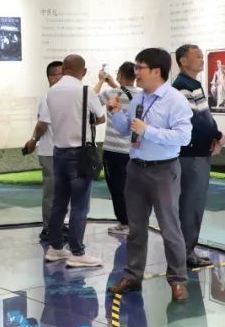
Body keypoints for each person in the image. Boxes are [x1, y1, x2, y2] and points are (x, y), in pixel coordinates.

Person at [107, 47, 193, 302]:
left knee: (170, 228)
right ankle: (133, 276)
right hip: (136, 169)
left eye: (140, 67)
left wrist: (149, 131)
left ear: (156, 71)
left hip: (164, 170)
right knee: (135, 228)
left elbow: (183, 137)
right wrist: (117, 113)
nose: (136, 72)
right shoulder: (139, 98)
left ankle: (178, 281)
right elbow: (127, 130)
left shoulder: (175, 100)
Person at [42, 55, 106, 268]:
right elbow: (101, 117)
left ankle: (55, 248)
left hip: (58, 152)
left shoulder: (52, 91)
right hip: (80, 154)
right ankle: (77, 252)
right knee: (79, 206)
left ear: (63, 69)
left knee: (59, 203)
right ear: (84, 71)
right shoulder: (85, 91)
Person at [172, 44, 225, 269]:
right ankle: (185, 252)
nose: (202, 60)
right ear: (183, 61)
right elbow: (192, 120)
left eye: (202, 56)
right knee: (191, 203)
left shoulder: (192, 84)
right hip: (191, 154)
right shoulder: (182, 86)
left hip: (198, 152)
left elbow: (204, 116)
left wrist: (214, 135)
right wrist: (217, 135)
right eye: (197, 56)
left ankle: (186, 249)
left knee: (192, 203)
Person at [96, 62, 139, 236]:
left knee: (117, 188)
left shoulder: (111, 93)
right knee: (131, 188)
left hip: (113, 151)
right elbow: (124, 92)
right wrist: (114, 83)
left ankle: (124, 223)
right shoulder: (141, 94)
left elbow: (91, 99)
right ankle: (134, 221)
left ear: (120, 75)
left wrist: (101, 80)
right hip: (132, 151)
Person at [24, 60, 63, 243]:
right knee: (52, 193)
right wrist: (34, 139)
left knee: (60, 193)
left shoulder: (60, 95)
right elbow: (42, 124)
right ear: (51, 77)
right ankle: (48, 228)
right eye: (61, 74)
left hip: (60, 151)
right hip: (50, 152)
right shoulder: (49, 97)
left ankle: (59, 224)